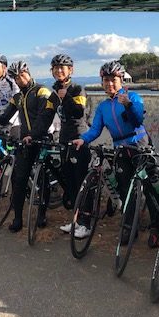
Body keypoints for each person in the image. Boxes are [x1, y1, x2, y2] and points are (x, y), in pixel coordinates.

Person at [73, 60, 159, 245]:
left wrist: (128, 104)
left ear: (121, 80)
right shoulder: (103, 106)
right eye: (106, 80)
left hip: (139, 144)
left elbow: (137, 121)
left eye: (114, 79)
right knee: (126, 189)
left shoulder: (132, 97)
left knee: (148, 185)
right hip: (120, 148)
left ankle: (157, 225)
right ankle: (130, 227)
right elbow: (95, 129)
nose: (109, 84)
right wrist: (84, 139)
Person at [0, 61, 53, 233]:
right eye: (16, 77)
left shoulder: (42, 90)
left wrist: (34, 135)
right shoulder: (17, 97)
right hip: (25, 140)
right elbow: (5, 117)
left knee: (42, 178)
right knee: (19, 179)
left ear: (28, 73)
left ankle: (42, 214)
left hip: (42, 138)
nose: (20, 79)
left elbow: (44, 117)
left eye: (23, 75)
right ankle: (17, 219)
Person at [44, 54, 91, 238]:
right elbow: (46, 116)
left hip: (79, 140)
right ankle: (76, 221)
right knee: (69, 182)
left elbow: (79, 112)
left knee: (80, 183)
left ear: (70, 70)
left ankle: (85, 224)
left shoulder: (78, 89)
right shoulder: (55, 92)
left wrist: (67, 97)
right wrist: (33, 134)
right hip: (64, 140)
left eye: (62, 67)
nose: (59, 71)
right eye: (55, 68)